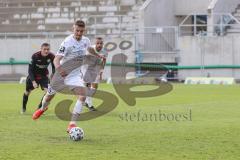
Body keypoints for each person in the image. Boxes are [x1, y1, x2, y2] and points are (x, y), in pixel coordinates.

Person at [32, 20, 105, 133]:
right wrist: (60, 70)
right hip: (61, 74)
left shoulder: (86, 40)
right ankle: (42, 109)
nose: (79, 33)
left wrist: (97, 54)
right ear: (73, 29)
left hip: (75, 76)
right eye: (77, 31)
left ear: (84, 30)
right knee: (49, 96)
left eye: (81, 31)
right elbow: (56, 59)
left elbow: (89, 49)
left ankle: (72, 124)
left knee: (82, 95)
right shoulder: (67, 42)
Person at [21, 43, 55, 114]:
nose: (46, 51)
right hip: (33, 76)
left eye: (48, 49)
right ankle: (23, 107)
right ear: (41, 49)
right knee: (27, 92)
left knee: (48, 92)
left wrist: (52, 75)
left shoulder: (51, 56)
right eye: (44, 49)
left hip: (44, 76)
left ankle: (39, 109)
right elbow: (30, 70)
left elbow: (54, 67)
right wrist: (33, 82)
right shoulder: (35, 56)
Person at [84, 37, 108, 111]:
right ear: (95, 43)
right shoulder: (91, 49)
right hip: (87, 67)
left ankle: (86, 101)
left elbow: (104, 61)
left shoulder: (104, 51)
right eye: (98, 43)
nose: (99, 45)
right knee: (87, 85)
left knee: (94, 87)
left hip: (96, 68)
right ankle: (90, 105)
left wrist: (101, 71)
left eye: (101, 43)